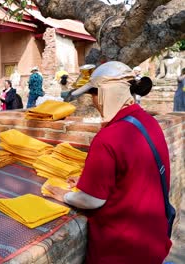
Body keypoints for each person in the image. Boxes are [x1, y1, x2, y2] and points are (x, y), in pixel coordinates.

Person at [44, 61, 172, 264]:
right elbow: (132, 175)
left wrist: (66, 195)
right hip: (153, 240)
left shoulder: (109, 137)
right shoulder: (149, 123)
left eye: (94, 95)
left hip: (121, 251)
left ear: (104, 93)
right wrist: (88, 180)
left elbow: (93, 200)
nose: (94, 102)